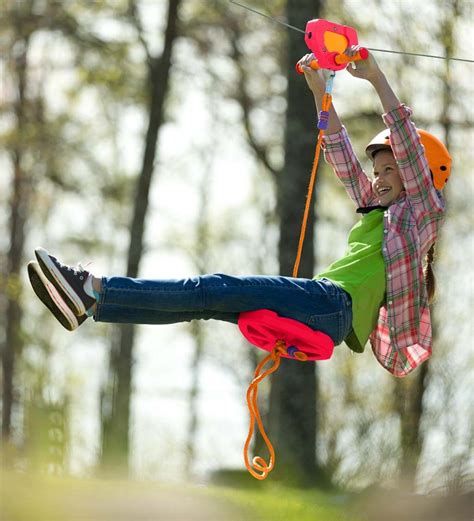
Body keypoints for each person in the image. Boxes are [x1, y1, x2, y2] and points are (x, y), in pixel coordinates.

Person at [27, 47, 451, 377]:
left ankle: (94, 286)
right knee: (205, 301)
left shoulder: (420, 217)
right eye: (377, 169)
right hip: (325, 308)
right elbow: (340, 154)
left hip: (329, 304)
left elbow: (407, 144)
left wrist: (375, 78)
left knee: (211, 286)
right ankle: (92, 303)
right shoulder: (377, 211)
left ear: (420, 176)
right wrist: (320, 92)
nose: (378, 177)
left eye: (390, 169)